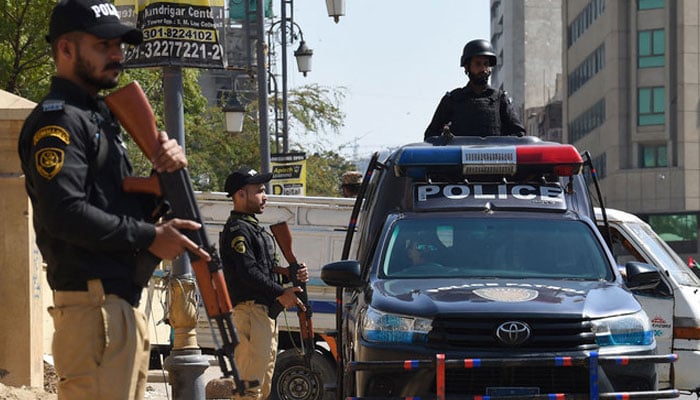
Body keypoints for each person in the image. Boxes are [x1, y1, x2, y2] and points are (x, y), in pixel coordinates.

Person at [17, 0, 211, 398]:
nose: (117, 54)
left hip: (115, 309)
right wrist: (147, 237)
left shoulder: (97, 118)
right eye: (103, 45)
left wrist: (165, 181)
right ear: (66, 49)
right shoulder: (59, 121)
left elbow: (119, 207)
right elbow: (63, 213)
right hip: (93, 313)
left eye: (120, 44)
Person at [219, 166, 309, 400]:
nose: (264, 195)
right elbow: (248, 271)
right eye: (259, 191)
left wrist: (291, 274)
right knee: (249, 389)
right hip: (250, 312)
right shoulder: (237, 230)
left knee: (263, 387)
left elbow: (265, 270)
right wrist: (282, 291)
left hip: (262, 314)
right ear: (240, 195)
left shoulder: (253, 229)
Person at [424, 39, 527, 139]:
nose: (483, 69)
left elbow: (519, 134)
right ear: (467, 67)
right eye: (478, 64)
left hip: (493, 156)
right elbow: (431, 136)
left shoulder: (500, 99)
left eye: (486, 64)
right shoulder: (453, 99)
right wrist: (446, 141)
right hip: (460, 156)